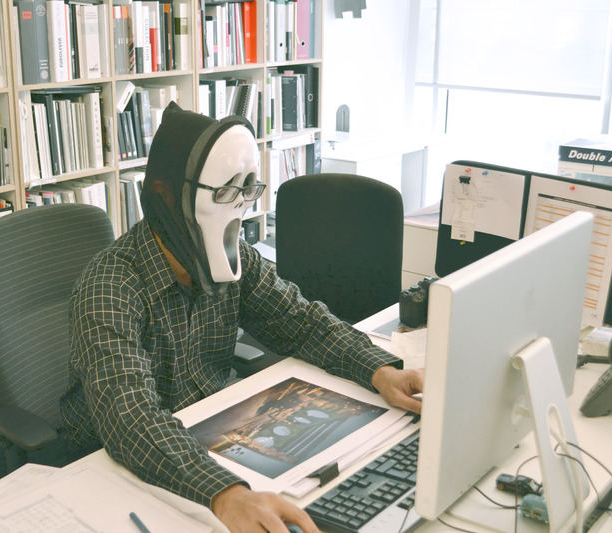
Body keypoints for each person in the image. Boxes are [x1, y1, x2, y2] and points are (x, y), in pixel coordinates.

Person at [60, 102, 424, 533]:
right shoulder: (111, 286)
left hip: (208, 440)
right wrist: (227, 495)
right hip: (113, 469)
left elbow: (300, 321)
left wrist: (379, 370)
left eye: (246, 189)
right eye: (225, 191)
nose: (241, 207)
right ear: (167, 194)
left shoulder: (235, 263)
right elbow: (129, 418)